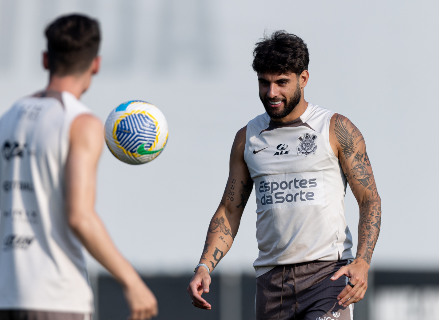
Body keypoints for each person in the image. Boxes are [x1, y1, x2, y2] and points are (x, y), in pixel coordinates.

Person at [187, 31, 381, 319]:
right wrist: (204, 266)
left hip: (327, 276)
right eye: (264, 83)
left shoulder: (336, 128)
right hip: (271, 284)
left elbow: (369, 200)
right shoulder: (247, 138)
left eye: (281, 82)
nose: (272, 93)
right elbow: (229, 210)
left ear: (303, 79)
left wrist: (363, 261)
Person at [0, 14, 158, 320]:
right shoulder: (80, 124)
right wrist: (131, 280)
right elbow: (80, 216)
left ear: (46, 59)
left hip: (6, 296)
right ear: (95, 64)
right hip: (57, 298)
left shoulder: (7, 119)